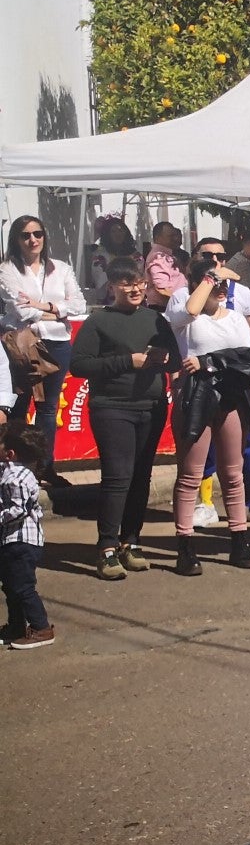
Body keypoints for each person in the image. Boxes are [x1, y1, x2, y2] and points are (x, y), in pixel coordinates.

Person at [70, 262, 177, 579]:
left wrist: (164, 357)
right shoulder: (99, 320)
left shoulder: (156, 318)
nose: (134, 289)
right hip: (112, 407)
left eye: (139, 283)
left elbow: (173, 353)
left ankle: (131, 541)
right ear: (112, 287)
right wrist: (127, 361)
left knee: (141, 476)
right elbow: (79, 365)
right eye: (126, 283)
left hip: (151, 406)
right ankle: (106, 546)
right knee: (118, 477)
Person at [166, 254, 250, 575]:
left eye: (224, 283)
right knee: (191, 474)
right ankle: (186, 544)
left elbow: (247, 358)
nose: (222, 288)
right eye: (215, 283)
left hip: (230, 395)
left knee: (232, 472)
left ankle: (239, 538)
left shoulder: (235, 318)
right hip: (195, 395)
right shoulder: (185, 313)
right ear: (199, 284)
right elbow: (191, 310)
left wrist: (208, 361)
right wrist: (210, 276)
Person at [2, 216, 88, 457]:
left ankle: (45, 465)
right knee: (18, 406)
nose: (33, 240)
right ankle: (14, 462)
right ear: (16, 239)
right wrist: (59, 312)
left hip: (57, 343)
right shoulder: (7, 269)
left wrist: (44, 306)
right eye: (26, 235)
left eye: (37, 234)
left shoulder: (60, 268)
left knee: (48, 409)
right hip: (22, 344)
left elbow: (80, 305)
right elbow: (22, 311)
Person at [0, 428, 51, 650]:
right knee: (11, 586)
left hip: (21, 541)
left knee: (22, 587)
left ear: (10, 453)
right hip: (13, 540)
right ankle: (16, 627)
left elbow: (17, 510)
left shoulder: (15, 478)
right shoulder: (14, 472)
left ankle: (41, 628)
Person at [142, 222, 186, 309]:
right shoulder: (158, 257)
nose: (175, 239)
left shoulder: (166, 255)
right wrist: (182, 303)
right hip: (165, 308)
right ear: (158, 238)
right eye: (171, 236)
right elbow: (162, 288)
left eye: (175, 235)